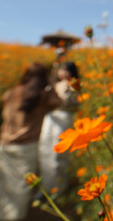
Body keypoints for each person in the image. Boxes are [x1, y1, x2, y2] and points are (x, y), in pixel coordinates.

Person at [0, 63, 61, 221]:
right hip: (27, 148)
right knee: (20, 190)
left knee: (0, 189)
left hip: (4, 145)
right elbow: (58, 102)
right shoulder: (41, 96)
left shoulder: (11, 92)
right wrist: (51, 84)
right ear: (43, 78)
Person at [37, 61, 80, 196]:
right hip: (50, 117)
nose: (63, 73)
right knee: (44, 149)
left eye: (66, 70)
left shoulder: (74, 85)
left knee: (58, 153)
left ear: (72, 72)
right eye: (61, 70)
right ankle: (46, 186)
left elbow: (73, 104)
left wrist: (58, 98)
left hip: (63, 118)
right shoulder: (54, 84)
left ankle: (59, 187)